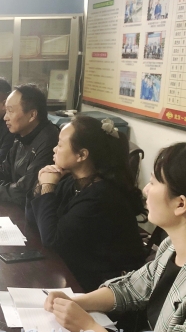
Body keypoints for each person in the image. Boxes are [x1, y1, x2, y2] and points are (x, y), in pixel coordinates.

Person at [44, 140, 186, 332]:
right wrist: (78, 302)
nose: (145, 189)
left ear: (181, 204)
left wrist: (89, 329)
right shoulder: (171, 246)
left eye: (153, 182)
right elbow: (132, 287)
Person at [27, 116, 146, 291]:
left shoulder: (101, 195)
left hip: (106, 286)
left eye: (60, 145)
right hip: (77, 268)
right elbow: (32, 219)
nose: (54, 149)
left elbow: (52, 239)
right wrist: (42, 184)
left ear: (82, 155)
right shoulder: (72, 181)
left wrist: (48, 186)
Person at [0, 83, 59, 207]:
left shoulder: (49, 141)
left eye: (10, 111)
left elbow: (24, 192)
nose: (5, 118)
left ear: (32, 115)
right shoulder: (22, 135)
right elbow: (5, 170)